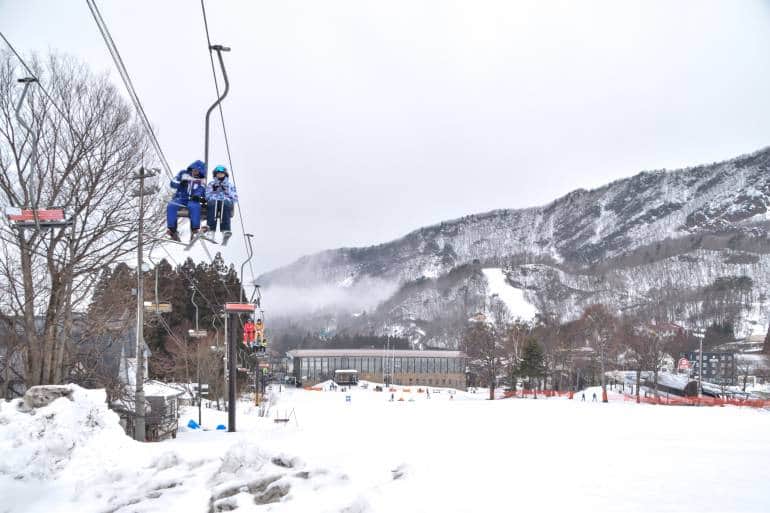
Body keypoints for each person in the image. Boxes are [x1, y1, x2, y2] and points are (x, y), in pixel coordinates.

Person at [166, 160, 206, 241]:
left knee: (194, 207)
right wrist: (180, 183)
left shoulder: (201, 180)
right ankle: (172, 230)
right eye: (194, 170)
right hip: (181, 197)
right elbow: (173, 183)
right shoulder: (183, 174)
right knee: (171, 206)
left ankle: (194, 229)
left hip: (192, 199)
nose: (195, 172)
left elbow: (202, 189)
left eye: (197, 171)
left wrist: (197, 196)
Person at [205, 165, 238, 235]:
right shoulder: (211, 184)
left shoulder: (230, 185)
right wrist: (213, 191)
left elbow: (235, 198)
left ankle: (225, 230)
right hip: (214, 201)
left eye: (222, 173)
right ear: (215, 174)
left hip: (225, 201)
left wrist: (226, 191)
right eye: (218, 173)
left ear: (225, 174)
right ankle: (211, 230)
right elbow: (207, 196)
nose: (220, 174)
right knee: (213, 202)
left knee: (225, 203)